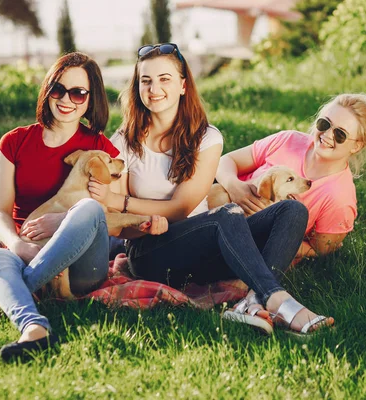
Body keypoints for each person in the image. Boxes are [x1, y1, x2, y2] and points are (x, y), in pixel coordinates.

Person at [88, 43, 333, 335]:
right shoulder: (123, 143)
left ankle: (253, 300)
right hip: (151, 254)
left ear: (182, 85)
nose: (154, 88)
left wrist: (119, 199)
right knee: (226, 215)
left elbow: (183, 206)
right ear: (137, 87)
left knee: (292, 210)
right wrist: (129, 211)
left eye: (164, 79)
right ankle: (276, 297)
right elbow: (119, 224)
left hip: (208, 248)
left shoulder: (206, 137)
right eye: (146, 80)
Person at [0, 52, 156, 361]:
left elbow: (116, 222)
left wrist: (62, 221)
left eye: (78, 92)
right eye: (59, 89)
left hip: (83, 267)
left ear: (89, 98)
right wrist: (17, 245)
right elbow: (0, 211)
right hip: (28, 251)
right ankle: (33, 329)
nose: (66, 99)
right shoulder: (14, 142)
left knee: (89, 209)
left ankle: (4, 300)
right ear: (47, 90)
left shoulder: (100, 151)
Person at [215, 93, 366, 265]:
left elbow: (319, 249)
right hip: (215, 203)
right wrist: (234, 186)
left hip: (244, 239)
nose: (327, 135)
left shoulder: (340, 197)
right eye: (324, 124)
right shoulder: (288, 140)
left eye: (340, 134)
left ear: (356, 146)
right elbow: (227, 160)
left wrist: (282, 242)